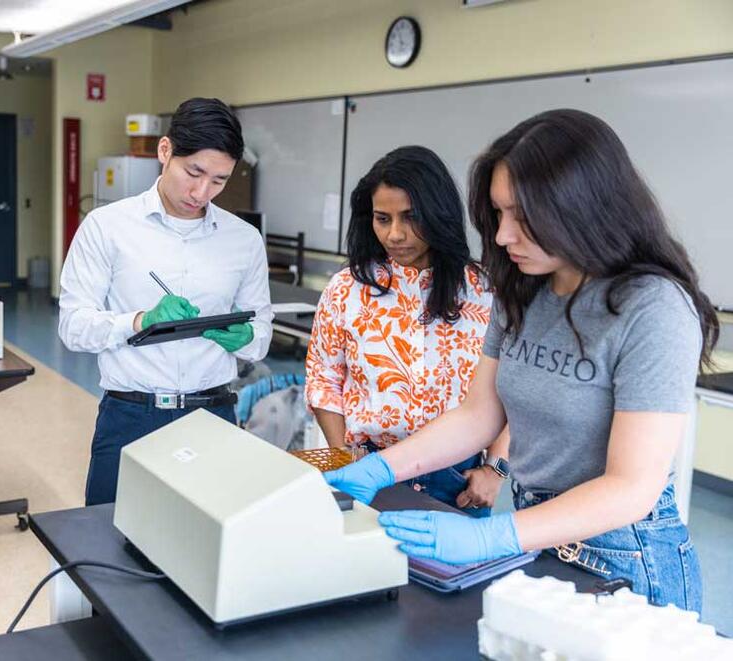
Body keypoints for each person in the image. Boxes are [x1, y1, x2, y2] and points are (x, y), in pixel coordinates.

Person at [325, 109, 718, 611]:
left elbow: (631, 488)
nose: (504, 235)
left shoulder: (653, 307)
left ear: (583, 206)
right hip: (538, 533)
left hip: (625, 557)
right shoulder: (525, 288)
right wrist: (382, 467)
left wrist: (494, 537)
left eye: (523, 217)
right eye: (499, 214)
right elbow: (478, 416)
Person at [58, 98, 273, 505]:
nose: (201, 191)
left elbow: (260, 337)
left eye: (218, 181)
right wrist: (139, 321)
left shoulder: (243, 240)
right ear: (165, 151)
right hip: (130, 418)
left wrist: (242, 336)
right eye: (194, 172)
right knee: (106, 547)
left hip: (213, 415)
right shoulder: (107, 227)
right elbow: (72, 327)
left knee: (208, 553)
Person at [306, 146, 507, 516]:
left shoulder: (484, 290)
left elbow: (511, 387)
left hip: (459, 480)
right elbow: (324, 379)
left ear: (438, 213)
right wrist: (342, 458)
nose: (395, 234)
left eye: (410, 218)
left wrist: (495, 468)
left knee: (455, 574)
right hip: (367, 467)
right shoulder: (346, 289)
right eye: (383, 219)